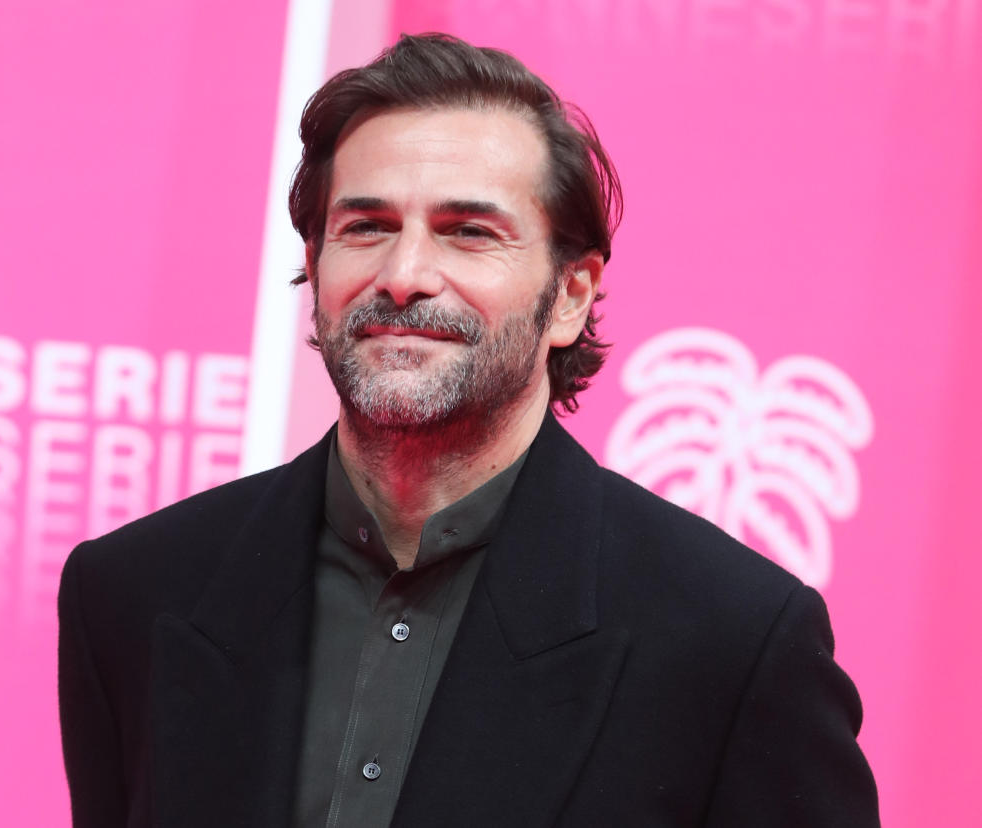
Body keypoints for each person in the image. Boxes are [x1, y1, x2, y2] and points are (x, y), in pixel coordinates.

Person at [58, 33, 880, 827]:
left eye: (469, 232)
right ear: (316, 263)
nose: (405, 276)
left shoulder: (731, 640)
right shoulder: (135, 593)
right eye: (366, 226)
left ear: (570, 296)